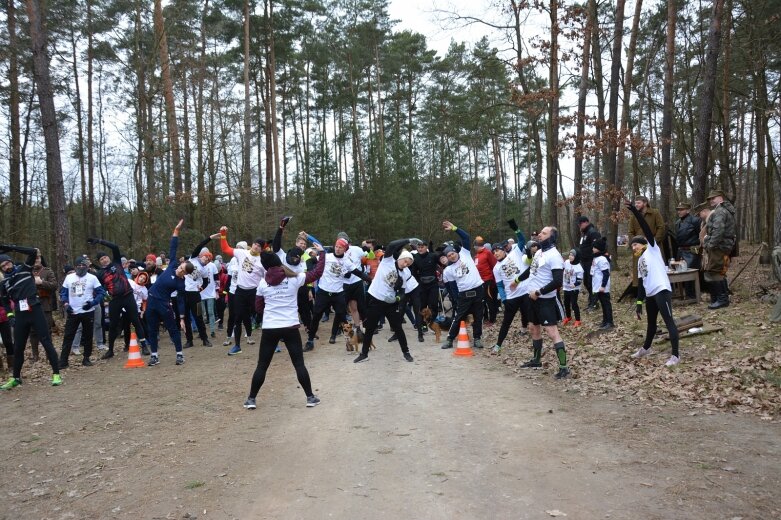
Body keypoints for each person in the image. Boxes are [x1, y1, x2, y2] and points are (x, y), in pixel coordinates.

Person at [243, 244, 326, 410]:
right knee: (298, 364)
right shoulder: (294, 279)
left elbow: (258, 308)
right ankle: (310, 397)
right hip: (290, 327)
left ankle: (251, 399)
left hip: (270, 328)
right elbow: (317, 273)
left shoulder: (262, 284)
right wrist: (322, 254)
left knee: (262, 365)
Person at [627, 201, 681, 366]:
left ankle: (675, 355)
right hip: (650, 293)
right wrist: (638, 304)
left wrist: (636, 213)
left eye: (635, 244)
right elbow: (642, 283)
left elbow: (646, 229)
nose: (633, 247)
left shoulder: (652, 248)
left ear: (643, 243)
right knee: (651, 323)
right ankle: (646, 348)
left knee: (668, 321)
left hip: (661, 290)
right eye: (631, 246)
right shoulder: (639, 261)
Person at [512, 226, 571, 379]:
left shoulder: (555, 256)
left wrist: (539, 292)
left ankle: (564, 368)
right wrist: (517, 280)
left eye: (544, 233)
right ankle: (537, 360)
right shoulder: (538, 252)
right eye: (540, 232)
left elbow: (558, 281)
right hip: (531, 299)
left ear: (551, 237)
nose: (539, 234)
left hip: (545, 300)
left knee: (552, 333)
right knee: (533, 328)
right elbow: (531, 271)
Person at [0, 245, 62, 389]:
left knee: (46, 342)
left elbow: (33, 252)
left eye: (7, 263)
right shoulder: (4, 283)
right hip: (21, 315)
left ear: (11, 261)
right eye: (2, 266)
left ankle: (56, 374)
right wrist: (10, 316)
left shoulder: (24, 269)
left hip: (35, 309)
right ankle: (16, 378)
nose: (6, 266)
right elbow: (4, 301)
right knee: (18, 348)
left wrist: (10, 248)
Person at [354, 239, 417, 363]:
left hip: (390, 303)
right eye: (405, 261)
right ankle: (364, 354)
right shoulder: (387, 261)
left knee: (398, 328)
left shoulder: (405, 273)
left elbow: (403, 292)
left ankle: (406, 352)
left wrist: (398, 297)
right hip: (376, 299)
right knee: (370, 328)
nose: (405, 265)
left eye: (408, 264)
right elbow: (392, 245)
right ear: (401, 258)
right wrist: (408, 240)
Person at [86, 236, 148, 359]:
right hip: (115, 300)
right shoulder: (100, 274)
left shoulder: (117, 262)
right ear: (99, 262)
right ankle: (110, 350)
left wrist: (99, 241)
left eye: (105, 257)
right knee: (113, 325)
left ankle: (144, 346)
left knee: (136, 321)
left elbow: (115, 247)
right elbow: (97, 288)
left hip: (128, 296)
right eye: (101, 259)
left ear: (108, 257)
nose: (104, 260)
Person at [303, 234, 367, 351]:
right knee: (316, 316)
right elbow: (310, 261)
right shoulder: (327, 256)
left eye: (340, 247)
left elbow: (358, 272)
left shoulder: (346, 261)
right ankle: (310, 341)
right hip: (323, 292)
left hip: (338, 294)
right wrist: (313, 271)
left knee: (342, 318)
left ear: (345, 249)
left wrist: (370, 280)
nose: (337, 249)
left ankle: (350, 342)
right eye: (336, 246)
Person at [146, 220, 191, 366]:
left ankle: (179, 355)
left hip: (163, 305)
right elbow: (173, 247)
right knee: (152, 329)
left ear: (185, 274)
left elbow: (181, 300)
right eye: (181, 267)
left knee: (172, 329)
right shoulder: (172, 265)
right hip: (151, 300)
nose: (179, 269)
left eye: (183, 270)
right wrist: (176, 231)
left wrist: (182, 318)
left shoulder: (180, 283)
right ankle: (154, 356)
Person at [219, 227, 265, 355]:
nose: (256, 247)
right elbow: (225, 249)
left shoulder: (263, 261)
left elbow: (267, 278)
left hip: (254, 293)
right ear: (252, 245)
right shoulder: (242, 253)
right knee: (237, 318)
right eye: (255, 244)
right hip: (240, 292)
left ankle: (275, 344)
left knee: (265, 316)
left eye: (259, 246)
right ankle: (237, 346)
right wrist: (223, 235)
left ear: (262, 249)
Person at [440, 220, 485, 349]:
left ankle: (477, 338)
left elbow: (466, 237)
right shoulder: (448, 270)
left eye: (453, 253)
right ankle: (449, 339)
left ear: (456, 252)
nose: (452, 256)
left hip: (477, 289)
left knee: (478, 315)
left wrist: (454, 228)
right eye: (449, 255)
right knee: (459, 316)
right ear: (447, 258)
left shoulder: (465, 254)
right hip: (463, 294)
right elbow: (451, 287)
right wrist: (455, 299)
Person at [58, 257, 106, 368]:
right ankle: (63, 361)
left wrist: (93, 303)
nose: (81, 267)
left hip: (87, 311)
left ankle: (86, 358)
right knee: (68, 336)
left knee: (88, 336)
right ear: (75, 266)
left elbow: (101, 293)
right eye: (78, 265)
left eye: (83, 265)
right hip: (73, 311)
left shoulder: (92, 278)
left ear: (87, 266)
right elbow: (63, 293)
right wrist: (66, 304)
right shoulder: (69, 278)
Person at [490, 240, 530, 354]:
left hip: (525, 292)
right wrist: (504, 299)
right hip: (511, 297)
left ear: (503, 250)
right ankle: (498, 345)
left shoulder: (514, 253)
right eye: (493, 252)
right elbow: (499, 285)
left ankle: (535, 342)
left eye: (497, 250)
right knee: (506, 322)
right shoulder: (496, 268)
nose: (496, 254)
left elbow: (522, 238)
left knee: (530, 316)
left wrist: (515, 227)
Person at [703, 190, 737, 309]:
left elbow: (718, 230)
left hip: (719, 246)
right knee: (716, 271)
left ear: (721, 198)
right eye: (710, 199)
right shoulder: (723, 209)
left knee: (717, 272)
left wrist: (710, 244)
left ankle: (722, 299)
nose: (711, 200)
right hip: (722, 245)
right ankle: (718, 298)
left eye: (714, 198)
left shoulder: (720, 211)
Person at [628, 195, 666, 291]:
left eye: (639, 203)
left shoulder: (655, 213)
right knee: (641, 268)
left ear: (645, 203)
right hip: (639, 248)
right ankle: (641, 291)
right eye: (635, 203)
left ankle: (657, 288)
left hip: (653, 246)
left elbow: (661, 227)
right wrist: (635, 243)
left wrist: (653, 241)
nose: (636, 205)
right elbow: (630, 232)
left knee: (654, 267)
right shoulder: (633, 216)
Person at [28, 254, 58, 362]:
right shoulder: (27, 272)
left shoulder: (47, 271)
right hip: (30, 305)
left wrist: (41, 283)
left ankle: (49, 354)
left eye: (38, 258)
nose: (36, 260)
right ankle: (35, 355)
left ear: (41, 259)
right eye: (34, 258)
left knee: (47, 330)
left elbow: (54, 286)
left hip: (45, 304)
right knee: (32, 332)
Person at [409, 240, 439, 343]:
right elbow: (413, 272)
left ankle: (433, 324)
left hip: (433, 284)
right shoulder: (415, 258)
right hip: (422, 286)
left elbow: (442, 264)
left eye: (422, 247)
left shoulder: (433, 256)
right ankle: (421, 331)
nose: (420, 249)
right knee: (420, 308)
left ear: (426, 247)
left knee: (434, 306)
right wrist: (418, 281)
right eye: (419, 247)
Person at [674, 202, 702, 300]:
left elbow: (701, 235)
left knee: (691, 272)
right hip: (680, 251)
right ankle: (684, 294)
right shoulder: (677, 222)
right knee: (680, 272)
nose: (679, 211)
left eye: (682, 209)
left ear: (688, 210)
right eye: (678, 209)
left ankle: (692, 295)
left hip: (691, 251)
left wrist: (699, 248)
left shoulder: (695, 221)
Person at [577, 216, 601, 310]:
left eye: (581, 223)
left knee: (591, 282)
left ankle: (594, 303)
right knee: (586, 282)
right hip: (584, 261)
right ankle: (591, 301)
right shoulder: (584, 233)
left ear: (586, 222)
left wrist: (593, 259)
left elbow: (597, 247)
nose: (579, 226)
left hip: (591, 261)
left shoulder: (593, 232)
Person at [473, 236, 498, 326]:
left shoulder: (487, 253)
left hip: (488, 280)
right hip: (479, 281)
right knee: (481, 300)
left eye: (476, 246)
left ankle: (492, 319)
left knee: (489, 300)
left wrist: (494, 280)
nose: (475, 248)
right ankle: (485, 317)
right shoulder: (476, 256)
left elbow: (494, 265)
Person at [591, 237, 614, 330]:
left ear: (599, 248)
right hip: (597, 286)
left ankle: (610, 322)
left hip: (602, 287)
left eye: (594, 247)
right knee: (603, 305)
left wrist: (603, 286)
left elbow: (606, 273)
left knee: (606, 305)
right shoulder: (596, 258)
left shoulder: (602, 259)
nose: (592, 249)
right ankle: (605, 321)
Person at [562, 249, 583, 326]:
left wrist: (575, 284)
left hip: (574, 289)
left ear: (576, 257)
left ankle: (578, 320)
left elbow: (580, 280)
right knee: (566, 303)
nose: (570, 257)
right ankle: (568, 317)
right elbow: (562, 268)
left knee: (574, 303)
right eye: (570, 255)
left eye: (572, 255)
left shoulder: (579, 268)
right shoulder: (566, 262)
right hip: (566, 287)